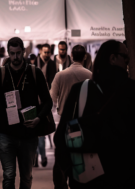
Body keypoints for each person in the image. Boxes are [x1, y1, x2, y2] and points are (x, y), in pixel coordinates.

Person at [54, 40, 135, 189]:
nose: (128, 60)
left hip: (88, 175)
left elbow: (61, 135)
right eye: (124, 56)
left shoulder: (81, 90)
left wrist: (67, 169)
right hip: (128, 174)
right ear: (112, 58)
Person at [0, 37, 52, 189]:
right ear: (7, 52)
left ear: (24, 52)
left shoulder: (34, 73)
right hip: (6, 134)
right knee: (9, 175)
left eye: (18, 53)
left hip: (29, 134)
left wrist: (39, 118)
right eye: (12, 54)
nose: (15, 57)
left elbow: (48, 101)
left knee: (26, 177)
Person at [50, 45, 92, 189]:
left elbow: (52, 99)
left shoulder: (60, 75)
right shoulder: (90, 76)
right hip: (84, 124)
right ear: (85, 57)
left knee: (62, 157)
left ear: (71, 56)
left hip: (65, 124)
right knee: (80, 160)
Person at [33, 43, 56, 167]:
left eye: (48, 52)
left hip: (45, 101)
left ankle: (40, 156)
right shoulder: (34, 62)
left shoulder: (52, 64)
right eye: (45, 52)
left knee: (41, 132)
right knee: (37, 133)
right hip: (34, 101)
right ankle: (38, 156)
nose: (47, 54)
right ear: (40, 51)